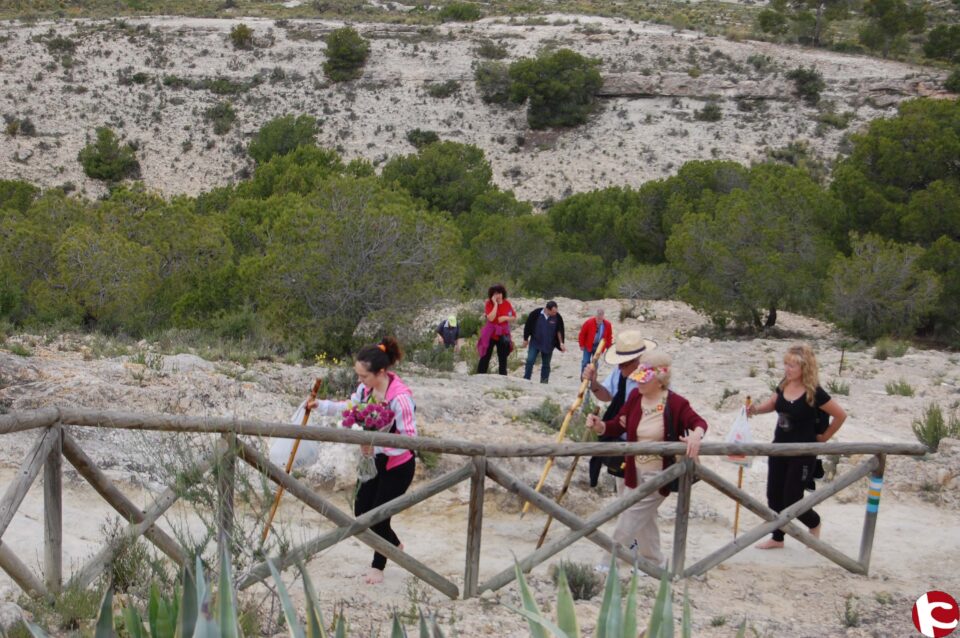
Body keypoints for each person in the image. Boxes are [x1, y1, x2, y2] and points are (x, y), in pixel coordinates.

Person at [307, 337, 417, 584]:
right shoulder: (365, 390)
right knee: (361, 510)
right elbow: (351, 407)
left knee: (379, 515)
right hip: (373, 460)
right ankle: (393, 543)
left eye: (363, 376)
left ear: (380, 372)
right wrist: (321, 406)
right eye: (358, 376)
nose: (360, 381)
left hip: (398, 465)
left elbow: (411, 439)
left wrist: (375, 442)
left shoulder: (400, 399)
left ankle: (378, 566)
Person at [586, 350, 707, 566]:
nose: (637, 383)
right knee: (644, 519)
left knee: (630, 515)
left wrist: (696, 436)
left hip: (661, 474)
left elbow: (698, 422)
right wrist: (601, 426)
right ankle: (653, 561)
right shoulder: (635, 398)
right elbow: (618, 424)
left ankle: (607, 563)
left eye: (643, 379)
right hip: (634, 470)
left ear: (659, 381)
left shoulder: (676, 403)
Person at [747, 343, 846, 550]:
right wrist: (754, 410)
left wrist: (824, 437)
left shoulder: (814, 392)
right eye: (786, 364)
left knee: (792, 498)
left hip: (803, 453)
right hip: (778, 449)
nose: (787, 369)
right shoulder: (784, 384)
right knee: (773, 495)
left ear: (804, 368)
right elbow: (772, 404)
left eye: (792, 365)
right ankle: (777, 538)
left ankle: (814, 523)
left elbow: (840, 415)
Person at [582, 331, 656, 487]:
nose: (620, 366)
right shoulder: (619, 372)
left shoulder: (655, 380)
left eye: (624, 363)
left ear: (638, 359)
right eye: (619, 362)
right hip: (622, 444)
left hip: (646, 450)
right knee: (624, 498)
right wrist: (593, 383)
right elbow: (607, 395)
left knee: (638, 503)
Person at [476, 284, 516, 375]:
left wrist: (505, 318)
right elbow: (490, 318)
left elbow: (513, 317)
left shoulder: (507, 303)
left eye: (499, 293)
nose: (497, 295)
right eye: (495, 294)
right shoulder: (489, 303)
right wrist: (495, 304)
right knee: (485, 355)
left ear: (502, 293)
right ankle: (480, 375)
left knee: (503, 357)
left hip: (503, 333)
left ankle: (503, 376)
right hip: (491, 333)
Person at [522, 301, 566, 383]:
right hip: (535, 342)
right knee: (530, 360)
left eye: (556, 311)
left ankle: (544, 382)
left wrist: (561, 343)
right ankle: (526, 379)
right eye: (553, 312)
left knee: (546, 364)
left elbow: (559, 331)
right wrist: (525, 339)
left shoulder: (557, 317)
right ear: (547, 309)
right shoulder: (536, 313)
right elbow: (528, 325)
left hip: (549, 344)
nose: (555, 313)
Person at [578, 309, 613, 373]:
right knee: (585, 362)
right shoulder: (588, 322)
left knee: (595, 363)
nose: (599, 320)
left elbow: (609, 336)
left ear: (603, 317)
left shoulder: (607, 325)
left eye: (601, 318)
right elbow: (582, 334)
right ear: (595, 316)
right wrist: (581, 345)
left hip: (599, 347)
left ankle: (593, 380)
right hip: (588, 345)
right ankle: (583, 377)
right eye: (598, 318)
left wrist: (609, 346)